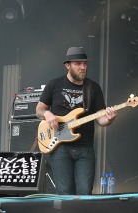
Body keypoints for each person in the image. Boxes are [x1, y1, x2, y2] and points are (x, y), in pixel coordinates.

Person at [36, 47, 117, 195]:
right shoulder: (54, 85)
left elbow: (101, 119)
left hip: (85, 147)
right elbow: (39, 110)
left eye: (85, 64)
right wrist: (47, 114)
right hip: (60, 147)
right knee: (65, 191)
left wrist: (110, 119)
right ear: (67, 65)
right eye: (78, 64)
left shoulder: (93, 88)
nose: (83, 67)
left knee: (85, 191)